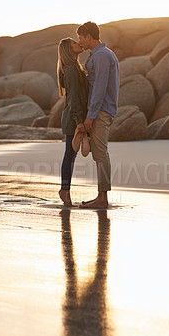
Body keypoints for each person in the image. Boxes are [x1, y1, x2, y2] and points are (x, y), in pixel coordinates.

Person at [77, 21, 119, 209]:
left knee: (100, 152)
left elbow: (100, 88)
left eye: (81, 38)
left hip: (101, 111)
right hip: (100, 110)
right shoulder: (101, 54)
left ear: (89, 36)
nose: (80, 42)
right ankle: (101, 196)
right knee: (99, 153)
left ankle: (102, 198)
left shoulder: (102, 56)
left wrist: (90, 116)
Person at [57, 37, 89, 207]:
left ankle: (65, 189)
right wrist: (79, 121)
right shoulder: (70, 69)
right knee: (70, 154)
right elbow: (74, 99)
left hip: (74, 117)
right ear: (69, 50)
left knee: (71, 154)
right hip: (73, 118)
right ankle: (64, 189)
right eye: (74, 44)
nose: (78, 44)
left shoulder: (75, 67)